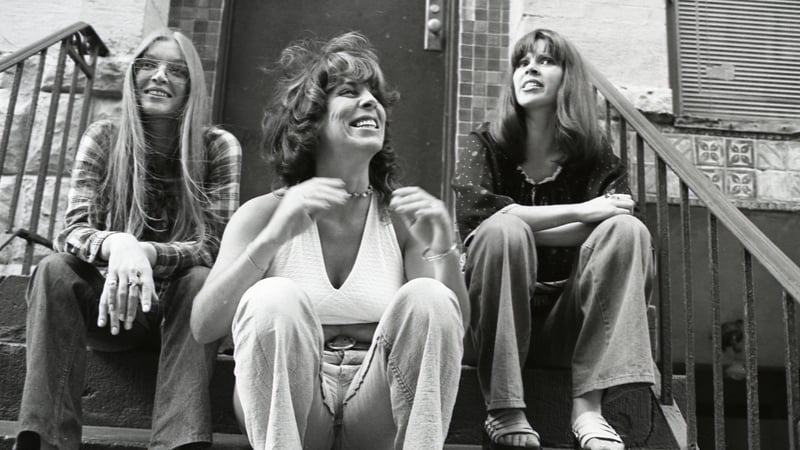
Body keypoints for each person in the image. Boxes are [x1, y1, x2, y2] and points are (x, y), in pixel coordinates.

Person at [191, 31, 468, 449]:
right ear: (313, 119)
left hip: (376, 403)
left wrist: (445, 250)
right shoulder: (264, 214)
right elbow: (204, 326)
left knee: (429, 295)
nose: (370, 101)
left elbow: (450, 333)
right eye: (349, 92)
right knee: (274, 297)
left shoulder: (399, 219)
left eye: (374, 93)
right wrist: (272, 239)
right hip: (293, 408)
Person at [15, 30, 241, 450]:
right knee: (53, 270)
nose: (159, 76)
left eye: (176, 69)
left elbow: (214, 244)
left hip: (182, 317)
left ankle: (179, 443)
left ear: (192, 84)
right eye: (148, 65)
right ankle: (47, 442)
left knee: (201, 278)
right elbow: (73, 229)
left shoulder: (217, 146)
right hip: (109, 312)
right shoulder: (103, 137)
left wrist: (146, 252)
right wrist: (119, 245)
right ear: (132, 75)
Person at [453, 28, 655, 450]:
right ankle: (505, 407)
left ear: (569, 79)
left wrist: (524, 221)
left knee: (627, 232)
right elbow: (478, 218)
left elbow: (617, 219)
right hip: (495, 324)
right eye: (523, 62)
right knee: (501, 232)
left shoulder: (597, 157)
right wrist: (582, 213)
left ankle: (588, 408)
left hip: (570, 323)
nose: (530, 69)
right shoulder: (484, 145)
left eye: (545, 61)